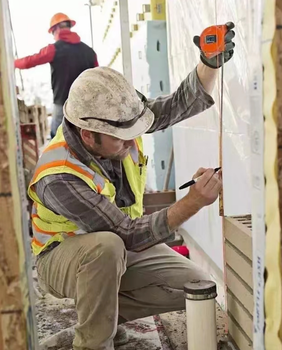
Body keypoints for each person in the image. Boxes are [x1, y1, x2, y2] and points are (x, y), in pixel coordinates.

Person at [28, 22, 235, 350]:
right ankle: (93, 343)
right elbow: (126, 234)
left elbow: (174, 106)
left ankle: (97, 325)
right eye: (122, 139)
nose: (132, 141)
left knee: (191, 283)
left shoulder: (118, 123)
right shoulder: (60, 175)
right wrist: (192, 202)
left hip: (115, 248)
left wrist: (209, 64)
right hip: (61, 255)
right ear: (87, 134)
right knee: (106, 247)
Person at [15, 13, 99, 138]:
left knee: (57, 136)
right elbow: (97, 76)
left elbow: (30, 61)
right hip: (87, 104)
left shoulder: (54, 49)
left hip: (62, 103)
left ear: (56, 30)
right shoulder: (89, 52)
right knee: (87, 137)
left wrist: (11, 63)